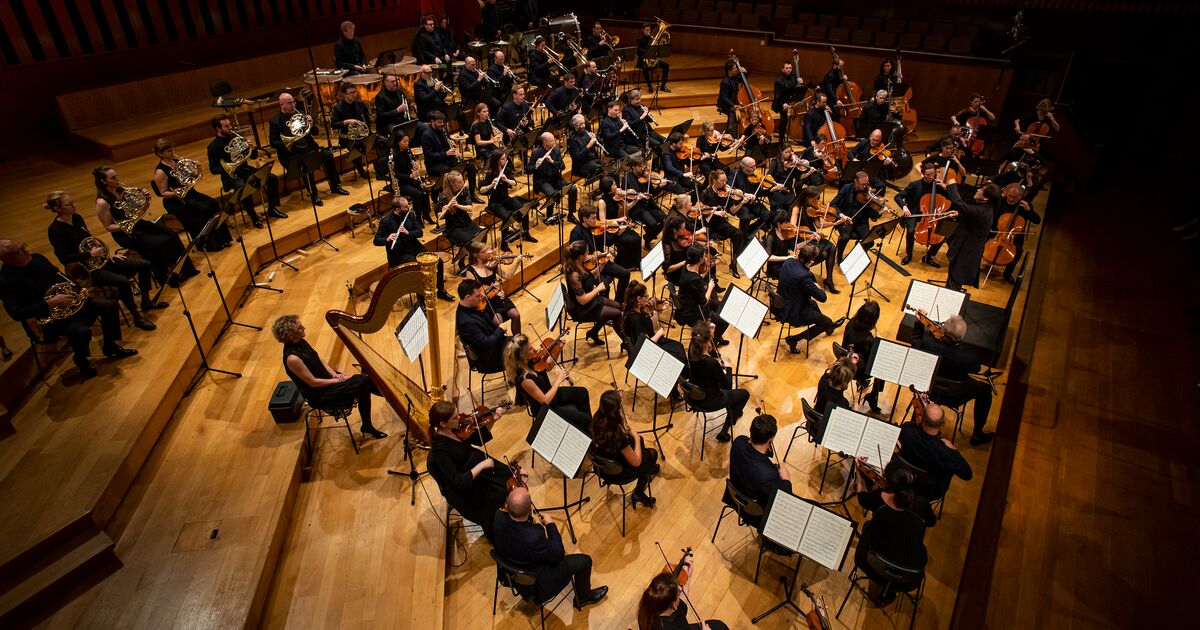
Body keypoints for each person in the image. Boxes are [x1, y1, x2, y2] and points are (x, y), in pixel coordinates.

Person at [0, 239, 136, 377]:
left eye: (24, 245)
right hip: (50, 318)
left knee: (109, 305)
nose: (26, 249)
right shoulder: (5, 280)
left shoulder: (37, 258)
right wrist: (50, 303)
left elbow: (60, 277)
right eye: (20, 250)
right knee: (81, 332)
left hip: (71, 304)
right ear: (9, 259)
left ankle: (110, 345)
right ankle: (81, 358)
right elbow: (16, 313)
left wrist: (79, 288)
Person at [46, 191, 160, 329]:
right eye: (68, 204)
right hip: (85, 271)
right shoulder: (55, 230)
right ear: (57, 208)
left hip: (100, 260)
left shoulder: (76, 218)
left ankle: (146, 302)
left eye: (72, 202)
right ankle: (137, 316)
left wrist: (107, 253)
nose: (73, 205)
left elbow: (90, 240)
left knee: (145, 265)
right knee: (123, 282)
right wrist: (89, 255)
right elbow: (64, 258)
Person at [273, 314, 386, 438]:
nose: (304, 328)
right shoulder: (292, 359)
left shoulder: (301, 342)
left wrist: (334, 374)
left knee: (364, 383)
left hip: (328, 379)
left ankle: (370, 422)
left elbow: (318, 359)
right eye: (299, 328)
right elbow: (313, 383)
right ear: (290, 335)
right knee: (363, 381)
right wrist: (338, 381)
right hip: (320, 393)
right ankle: (387, 400)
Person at [493, 488, 608, 608]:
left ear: (507, 505)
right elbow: (558, 554)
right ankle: (583, 597)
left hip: (509, 573)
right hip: (536, 583)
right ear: (529, 509)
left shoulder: (498, 517)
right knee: (585, 561)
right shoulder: (534, 537)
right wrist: (550, 525)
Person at [93, 166, 198, 287]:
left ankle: (186, 270)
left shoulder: (121, 190)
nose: (117, 179)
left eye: (116, 176)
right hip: (125, 233)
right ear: (103, 181)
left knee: (171, 235)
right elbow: (109, 226)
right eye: (113, 178)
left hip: (139, 225)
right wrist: (128, 223)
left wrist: (144, 198)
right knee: (157, 245)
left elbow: (137, 208)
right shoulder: (102, 202)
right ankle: (166, 278)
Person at [852, 459, 936, 605]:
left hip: (873, 566)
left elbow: (862, 498)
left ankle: (879, 584)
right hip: (908, 576)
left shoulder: (879, 500)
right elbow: (931, 522)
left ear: (887, 481)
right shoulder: (921, 504)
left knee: (867, 526)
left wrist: (859, 473)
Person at [427, 399, 511, 542]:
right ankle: (499, 532)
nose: (460, 418)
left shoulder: (456, 428)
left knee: (508, 476)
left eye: (457, 413)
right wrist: (482, 466)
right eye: (454, 417)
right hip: (466, 484)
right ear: (442, 424)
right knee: (497, 496)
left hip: (475, 465)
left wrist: (493, 420)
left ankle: (512, 514)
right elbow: (458, 481)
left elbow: (479, 439)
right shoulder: (440, 449)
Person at [911, 311, 996, 445]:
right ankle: (977, 434)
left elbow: (916, 343)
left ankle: (916, 425)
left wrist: (919, 323)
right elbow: (976, 368)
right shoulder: (967, 357)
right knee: (985, 389)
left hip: (930, 391)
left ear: (943, 330)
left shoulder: (929, 344)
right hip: (956, 396)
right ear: (961, 337)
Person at [503, 334, 593, 437]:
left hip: (551, 395)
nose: (535, 349)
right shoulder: (525, 379)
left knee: (582, 393)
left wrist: (558, 349)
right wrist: (558, 380)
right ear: (523, 355)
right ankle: (588, 432)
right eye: (530, 349)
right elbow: (544, 401)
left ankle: (590, 430)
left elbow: (548, 367)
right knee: (585, 419)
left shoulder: (531, 361)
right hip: (546, 409)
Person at [151, 138, 232, 252]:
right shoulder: (160, 172)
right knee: (203, 209)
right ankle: (209, 244)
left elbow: (193, 177)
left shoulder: (177, 161)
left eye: (172, 149)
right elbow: (163, 193)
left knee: (213, 204)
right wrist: (180, 192)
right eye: (169, 151)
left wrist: (197, 169)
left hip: (190, 194)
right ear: (160, 154)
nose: (173, 152)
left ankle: (223, 239)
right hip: (176, 201)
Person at [269, 92, 350, 203]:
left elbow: (315, 133)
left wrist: (311, 125)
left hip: (309, 148)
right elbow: (273, 143)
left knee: (328, 156)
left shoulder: (301, 114)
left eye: (293, 102)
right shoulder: (275, 121)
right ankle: (313, 194)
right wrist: (290, 140)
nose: (293, 105)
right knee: (306, 164)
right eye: (289, 103)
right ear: (281, 105)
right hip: (292, 153)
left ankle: (335, 186)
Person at [206, 115, 284, 228]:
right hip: (230, 176)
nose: (230, 127)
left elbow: (253, 156)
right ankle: (254, 218)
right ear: (218, 129)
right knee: (242, 187)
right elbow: (213, 169)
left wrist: (252, 148)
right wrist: (229, 167)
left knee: (271, 178)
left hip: (244, 170)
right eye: (226, 126)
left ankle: (272, 209)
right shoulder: (213, 147)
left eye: (230, 124)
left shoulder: (236, 137)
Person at [373, 196, 453, 301]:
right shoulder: (386, 221)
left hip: (415, 247)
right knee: (419, 269)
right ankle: (421, 300)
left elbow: (419, 232)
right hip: (399, 254)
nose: (409, 208)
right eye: (405, 207)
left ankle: (440, 291)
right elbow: (376, 240)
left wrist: (408, 233)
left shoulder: (410, 215)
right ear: (397, 209)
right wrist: (387, 239)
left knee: (438, 262)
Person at [591, 390, 659, 507]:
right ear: (616, 410)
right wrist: (636, 437)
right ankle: (638, 492)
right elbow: (636, 462)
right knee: (652, 453)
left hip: (601, 467)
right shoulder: (617, 436)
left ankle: (647, 469)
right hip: (617, 472)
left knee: (640, 443)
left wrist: (616, 399)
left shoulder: (597, 419)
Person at [621, 280, 686, 401]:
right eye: (646, 297)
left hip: (650, 344)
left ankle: (678, 381)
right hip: (645, 353)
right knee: (677, 355)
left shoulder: (634, 311)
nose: (648, 299)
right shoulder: (635, 319)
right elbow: (645, 345)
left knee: (678, 346)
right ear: (638, 299)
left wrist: (654, 311)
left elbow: (647, 327)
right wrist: (659, 333)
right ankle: (675, 387)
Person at [727, 413, 791, 530]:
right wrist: (786, 480)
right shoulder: (769, 476)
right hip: (755, 513)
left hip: (734, 498)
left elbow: (751, 448)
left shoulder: (738, 442)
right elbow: (784, 500)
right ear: (771, 439)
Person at [897, 401, 973, 498]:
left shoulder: (907, 429)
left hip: (902, 477)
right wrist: (953, 450)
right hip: (928, 490)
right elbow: (967, 474)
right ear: (942, 424)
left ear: (921, 418)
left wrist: (917, 423)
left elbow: (912, 433)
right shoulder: (945, 452)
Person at [687, 322, 748, 442]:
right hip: (709, 401)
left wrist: (708, 330)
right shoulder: (711, 363)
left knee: (731, 394)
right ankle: (724, 431)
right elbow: (728, 385)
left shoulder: (691, 350)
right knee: (744, 394)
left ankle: (733, 409)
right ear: (708, 341)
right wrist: (729, 368)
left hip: (694, 395)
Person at [777, 243, 842, 354]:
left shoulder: (789, 262)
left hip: (782, 304)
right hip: (794, 312)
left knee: (814, 306)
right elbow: (823, 298)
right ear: (811, 260)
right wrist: (818, 286)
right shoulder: (804, 276)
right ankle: (794, 339)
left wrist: (807, 269)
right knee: (825, 322)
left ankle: (828, 326)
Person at [561, 239, 624, 346]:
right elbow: (582, 300)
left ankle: (593, 332)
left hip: (591, 301)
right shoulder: (574, 275)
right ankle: (627, 343)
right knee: (617, 314)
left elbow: (589, 279)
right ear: (581, 256)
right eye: (587, 252)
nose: (589, 253)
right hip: (582, 309)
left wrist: (602, 265)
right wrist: (598, 289)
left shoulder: (580, 264)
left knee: (619, 306)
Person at [893, 160, 956, 265]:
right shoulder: (914, 185)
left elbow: (952, 199)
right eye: (928, 174)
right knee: (910, 231)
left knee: (943, 233)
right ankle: (909, 254)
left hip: (932, 215)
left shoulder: (938, 186)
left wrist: (946, 188)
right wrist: (904, 207)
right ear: (922, 173)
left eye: (933, 174)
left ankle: (929, 256)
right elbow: (898, 197)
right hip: (913, 214)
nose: (931, 177)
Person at [944, 183, 1000, 291]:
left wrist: (952, 185)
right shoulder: (983, 207)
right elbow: (971, 215)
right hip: (963, 249)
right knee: (953, 280)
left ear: (986, 198)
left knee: (954, 283)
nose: (978, 190)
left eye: (982, 189)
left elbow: (959, 203)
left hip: (966, 253)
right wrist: (959, 214)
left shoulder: (983, 211)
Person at [463, 241, 521, 333]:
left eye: (487, 250)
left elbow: (507, 276)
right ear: (476, 255)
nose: (488, 253)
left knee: (516, 315)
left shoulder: (492, 264)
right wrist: (486, 293)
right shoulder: (471, 271)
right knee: (499, 323)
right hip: (485, 303)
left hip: (498, 297)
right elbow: (473, 293)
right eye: (484, 252)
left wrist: (517, 262)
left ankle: (519, 339)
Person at [674, 246, 728, 345]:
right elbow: (703, 303)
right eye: (704, 256)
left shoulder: (687, 266)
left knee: (721, 306)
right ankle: (710, 344)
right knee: (724, 322)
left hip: (689, 303)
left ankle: (715, 333)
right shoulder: (694, 279)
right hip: (693, 313)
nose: (705, 257)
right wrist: (710, 287)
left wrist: (708, 268)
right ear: (700, 259)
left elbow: (698, 278)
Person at [479, 150, 533, 249]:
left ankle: (526, 233)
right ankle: (504, 244)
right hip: (495, 203)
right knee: (507, 217)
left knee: (523, 210)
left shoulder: (506, 170)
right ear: (497, 160)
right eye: (503, 158)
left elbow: (514, 183)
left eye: (505, 157)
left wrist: (506, 180)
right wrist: (491, 185)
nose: (506, 159)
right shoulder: (490, 173)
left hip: (505, 199)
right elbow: (481, 190)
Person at [422, 111, 479, 201]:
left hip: (447, 159)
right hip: (435, 164)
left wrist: (451, 144)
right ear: (432, 121)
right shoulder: (426, 135)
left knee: (470, 165)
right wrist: (445, 153)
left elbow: (446, 142)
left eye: (443, 122)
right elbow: (429, 155)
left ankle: (472, 195)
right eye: (439, 122)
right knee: (448, 172)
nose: (442, 124)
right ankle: (439, 193)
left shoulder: (442, 129)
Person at [456, 278, 509, 373]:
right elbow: (487, 343)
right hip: (490, 358)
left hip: (495, 344)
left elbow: (490, 317)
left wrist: (497, 298)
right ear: (468, 297)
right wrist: (500, 330)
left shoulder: (470, 306)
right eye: (477, 296)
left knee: (523, 343)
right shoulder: (466, 323)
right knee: (522, 352)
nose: (481, 297)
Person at [378, 131, 433, 223]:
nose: (407, 143)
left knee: (424, 191)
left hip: (408, 180)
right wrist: (410, 176)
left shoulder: (407, 151)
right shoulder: (393, 156)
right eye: (404, 141)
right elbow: (396, 175)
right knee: (417, 194)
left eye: (408, 141)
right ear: (398, 142)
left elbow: (410, 166)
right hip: (399, 184)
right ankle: (418, 218)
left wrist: (415, 170)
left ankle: (426, 215)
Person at [991, 183, 1041, 283]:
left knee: (1018, 251)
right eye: (1009, 196)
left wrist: (1028, 210)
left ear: (1020, 197)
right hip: (997, 231)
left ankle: (1007, 273)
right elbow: (993, 215)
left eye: (1014, 197)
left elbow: (1037, 220)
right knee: (981, 238)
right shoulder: (1001, 201)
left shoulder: (1025, 205)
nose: (1010, 199)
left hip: (1014, 236)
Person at [842, 300, 885, 414]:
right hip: (857, 370)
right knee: (883, 367)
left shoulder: (850, 323)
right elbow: (873, 360)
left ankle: (864, 385)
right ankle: (873, 396)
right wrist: (878, 342)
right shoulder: (869, 339)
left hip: (845, 362)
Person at [591, 178, 643, 270]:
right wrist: (618, 219)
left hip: (620, 225)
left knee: (637, 238)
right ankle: (623, 264)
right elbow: (602, 221)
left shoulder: (616, 197)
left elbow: (626, 208)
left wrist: (636, 200)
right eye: (614, 185)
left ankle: (636, 263)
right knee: (629, 241)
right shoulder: (602, 202)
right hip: (610, 229)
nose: (617, 187)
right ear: (609, 188)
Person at [830, 170, 882, 263]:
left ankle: (854, 255)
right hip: (846, 220)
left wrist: (880, 212)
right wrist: (841, 215)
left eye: (866, 183)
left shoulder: (867, 192)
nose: (865, 186)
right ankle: (839, 256)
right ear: (855, 181)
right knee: (845, 237)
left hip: (861, 221)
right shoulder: (846, 188)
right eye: (862, 184)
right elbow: (833, 203)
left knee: (869, 241)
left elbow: (869, 212)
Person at [330, 83, 372, 180]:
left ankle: (381, 167)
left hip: (362, 134)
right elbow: (333, 124)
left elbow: (366, 120)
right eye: (351, 93)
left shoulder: (360, 104)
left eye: (355, 92)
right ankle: (361, 170)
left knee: (377, 140)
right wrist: (346, 122)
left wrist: (369, 134)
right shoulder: (338, 107)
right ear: (345, 94)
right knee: (355, 146)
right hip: (347, 137)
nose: (354, 94)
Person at [726, 158, 772, 237]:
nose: (755, 168)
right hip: (740, 203)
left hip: (752, 203)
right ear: (744, 167)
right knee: (746, 218)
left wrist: (770, 190)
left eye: (755, 166)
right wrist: (745, 194)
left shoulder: (754, 177)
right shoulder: (734, 174)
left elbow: (759, 193)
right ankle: (743, 235)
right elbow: (730, 189)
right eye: (752, 167)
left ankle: (749, 232)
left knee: (767, 215)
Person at [526, 132, 568, 217]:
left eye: (554, 140)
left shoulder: (556, 151)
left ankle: (570, 215)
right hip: (542, 181)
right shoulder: (536, 153)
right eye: (551, 141)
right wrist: (536, 166)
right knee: (552, 194)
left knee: (572, 188)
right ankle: (549, 216)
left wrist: (552, 161)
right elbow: (528, 171)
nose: (554, 142)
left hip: (555, 178)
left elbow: (562, 167)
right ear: (545, 142)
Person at [437, 170, 482, 248]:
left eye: (462, 180)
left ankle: (475, 255)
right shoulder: (443, 196)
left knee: (482, 236)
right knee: (471, 242)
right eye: (460, 182)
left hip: (466, 222)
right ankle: (465, 255)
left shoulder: (464, 190)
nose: (463, 183)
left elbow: (470, 208)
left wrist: (458, 205)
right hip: (454, 227)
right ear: (453, 184)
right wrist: (443, 211)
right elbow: (439, 217)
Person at [374, 73, 413, 138]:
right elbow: (382, 115)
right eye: (393, 82)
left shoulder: (399, 91)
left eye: (396, 80)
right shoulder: (380, 97)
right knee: (401, 134)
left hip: (402, 120)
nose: (395, 83)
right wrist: (397, 111)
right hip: (389, 123)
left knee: (421, 127)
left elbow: (406, 102)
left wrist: (407, 105)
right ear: (386, 83)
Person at [635, 22, 670, 93]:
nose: (649, 32)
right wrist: (647, 51)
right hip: (643, 60)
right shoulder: (640, 39)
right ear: (643, 30)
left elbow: (658, 50)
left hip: (653, 60)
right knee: (644, 68)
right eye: (647, 30)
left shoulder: (653, 38)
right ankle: (649, 86)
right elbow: (638, 51)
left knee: (666, 66)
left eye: (650, 30)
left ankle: (663, 85)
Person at [567, 114, 603, 180]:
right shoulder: (572, 139)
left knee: (611, 168)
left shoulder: (586, 132)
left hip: (593, 160)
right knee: (602, 170)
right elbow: (577, 157)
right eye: (581, 124)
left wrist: (596, 138)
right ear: (575, 125)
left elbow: (601, 144)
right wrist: (589, 145)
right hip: (582, 165)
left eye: (584, 123)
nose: (583, 126)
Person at [773, 60, 802, 142]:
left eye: (790, 68)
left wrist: (801, 83)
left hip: (790, 99)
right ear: (782, 69)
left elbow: (797, 89)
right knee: (784, 118)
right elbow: (777, 96)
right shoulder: (778, 81)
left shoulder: (794, 76)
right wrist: (783, 104)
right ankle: (781, 137)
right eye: (787, 68)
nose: (789, 70)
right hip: (781, 101)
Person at [716, 61, 740, 132]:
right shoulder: (725, 82)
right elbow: (723, 97)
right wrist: (733, 105)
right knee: (732, 115)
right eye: (734, 68)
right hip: (725, 104)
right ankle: (730, 131)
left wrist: (744, 72)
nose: (736, 69)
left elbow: (742, 79)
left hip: (733, 100)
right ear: (729, 71)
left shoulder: (734, 77)